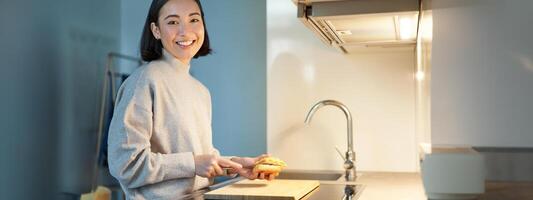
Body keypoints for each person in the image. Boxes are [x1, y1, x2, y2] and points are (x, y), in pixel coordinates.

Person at [107, 0, 275, 199]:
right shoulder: (144, 81)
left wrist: (237, 165)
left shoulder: (200, 91)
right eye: (172, 22)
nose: (185, 31)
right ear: (156, 30)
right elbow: (125, 164)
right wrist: (193, 163)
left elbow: (200, 157)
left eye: (193, 20)